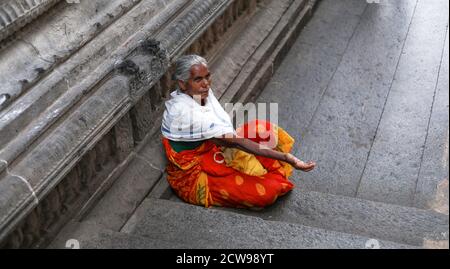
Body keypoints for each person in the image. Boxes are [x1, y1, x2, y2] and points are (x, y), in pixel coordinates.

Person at [161, 55, 315, 209]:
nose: (206, 84)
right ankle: (270, 176)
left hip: (215, 145)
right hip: (197, 172)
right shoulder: (182, 112)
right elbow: (234, 142)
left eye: (208, 77)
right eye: (198, 79)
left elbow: (228, 135)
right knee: (266, 193)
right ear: (182, 84)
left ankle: (268, 174)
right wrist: (287, 158)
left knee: (263, 131)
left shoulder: (199, 93)